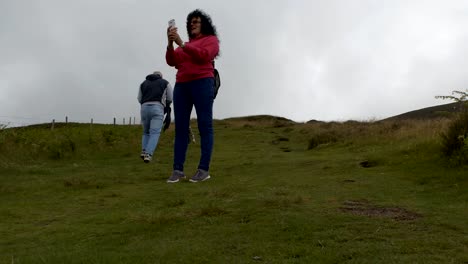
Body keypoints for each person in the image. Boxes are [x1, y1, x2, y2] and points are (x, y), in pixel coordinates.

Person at [165, 9, 220, 183]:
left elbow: (204, 56)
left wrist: (181, 43)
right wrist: (170, 43)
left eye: (196, 21)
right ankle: (177, 170)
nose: (192, 24)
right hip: (182, 86)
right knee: (181, 128)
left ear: (204, 24)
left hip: (203, 83)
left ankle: (204, 170)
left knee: (205, 126)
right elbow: (172, 61)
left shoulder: (211, 41)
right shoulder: (186, 44)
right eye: (191, 22)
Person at [138, 71, 173, 163]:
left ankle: (144, 151)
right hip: (157, 107)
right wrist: (166, 105)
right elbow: (170, 97)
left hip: (144, 108)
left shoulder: (143, 83)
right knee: (155, 132)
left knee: (146, 132)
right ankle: (148, 154)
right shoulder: (165, 82)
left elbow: (139, 98)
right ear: (160, 76)